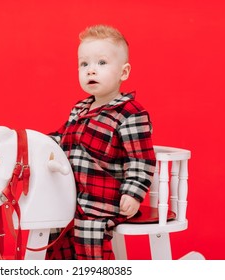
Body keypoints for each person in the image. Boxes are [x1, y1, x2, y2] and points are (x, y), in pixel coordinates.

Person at [46, 24, 156, 260]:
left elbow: (140, 159)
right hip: (74, 196)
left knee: (88, 234)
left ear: (123, 73)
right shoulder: (79, 108)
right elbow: (61, 139)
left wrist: (134, 193)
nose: (91, 71)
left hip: (105, 200)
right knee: (55, 230)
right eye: (84, 64)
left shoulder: (130, 113)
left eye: (101, 63)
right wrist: (33, 143)